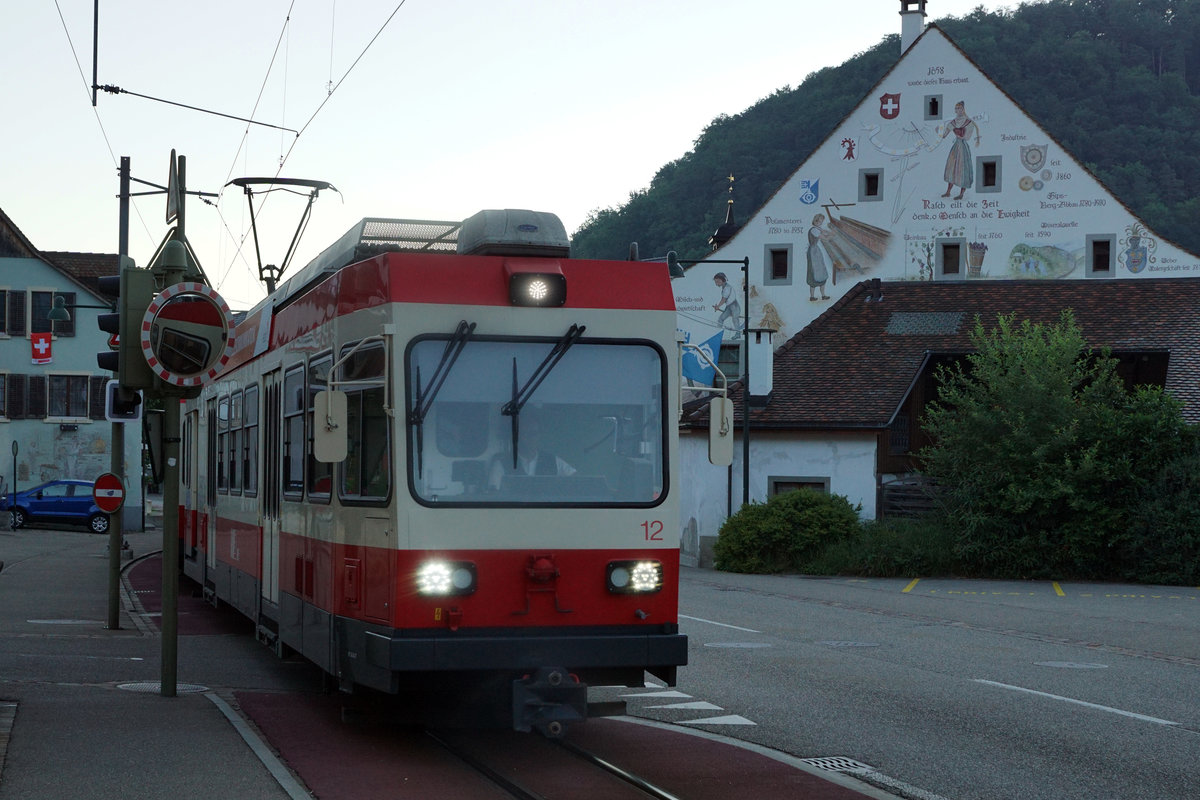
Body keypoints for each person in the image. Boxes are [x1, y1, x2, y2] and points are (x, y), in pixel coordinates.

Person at [489, 416, 575, 490]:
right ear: (517, 437)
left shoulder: (553, 461)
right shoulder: (502, 463)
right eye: (523, 434)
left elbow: (576, 480)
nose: (528, 438)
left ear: (539, 436)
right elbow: (493, 492)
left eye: (533, 434)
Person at [941, 101, 981, 200]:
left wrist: (959, 133)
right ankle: (948, 191)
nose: (957, 110)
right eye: (956, 108)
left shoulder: (968, 122)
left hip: (962, 147)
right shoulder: (954, 121)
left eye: (959, 108)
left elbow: (967, 137)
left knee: (963, 168)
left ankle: (961, 193)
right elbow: (945, 134)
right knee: (951, 167)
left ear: (963, 109)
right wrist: (942, 133)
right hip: (956, 147)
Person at [806, 214, 832, 300]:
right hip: (813, 252)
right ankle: (812, 296)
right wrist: (831, 236)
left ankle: (823, 295)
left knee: (821, 271)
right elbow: (824, 238)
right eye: (820, 221)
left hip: (816, 251)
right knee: (814, 272)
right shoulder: (814, 230)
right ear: (816, 221)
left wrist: (830, 233)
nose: (821, 223)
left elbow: (824, 232)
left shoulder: (818, 229)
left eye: (821, 221)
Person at [712, 273, 741, 338]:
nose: (716, 283)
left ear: (723, 280)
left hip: (734, 306)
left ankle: (738, 334)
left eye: (718, 281)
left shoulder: (727, 288)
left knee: (735, 319)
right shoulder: (724, 287)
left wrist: (718, 306)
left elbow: (724, 299)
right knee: (721, 319)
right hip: (729, 307)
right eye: (716, 282)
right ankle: (717, 333)